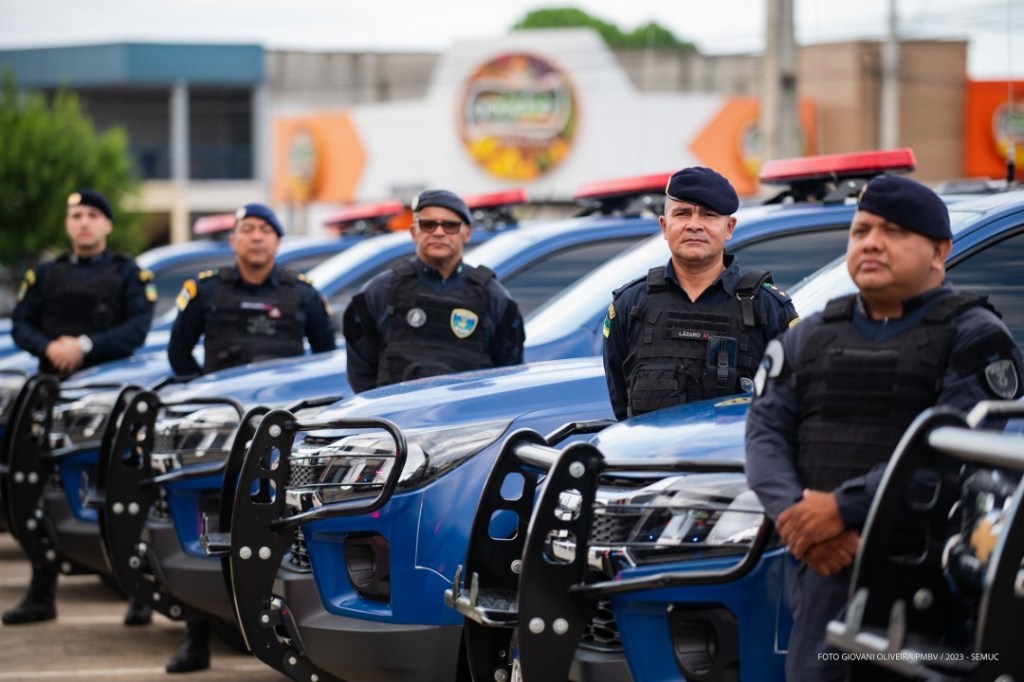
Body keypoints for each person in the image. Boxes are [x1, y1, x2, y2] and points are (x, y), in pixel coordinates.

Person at [744, 175, 1024, 681]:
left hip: (924, 584)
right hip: (822, 570)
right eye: (862, 230)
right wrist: (800, 521)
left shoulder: (975, 335)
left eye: (894, 231)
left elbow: (956, 455)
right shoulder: (809, 335)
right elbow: (764, 433)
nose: (871, 242)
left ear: (939, 251)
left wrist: (840, 508)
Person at [164, 202, 336, 673]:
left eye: (265, 230)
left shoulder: (301, 294)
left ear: (277, 241)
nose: (256, 237)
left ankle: (283, 632)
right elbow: (179, 355)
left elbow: (327, 361)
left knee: (277, 533)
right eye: (247, 229)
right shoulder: (205, 290)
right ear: (234, 240)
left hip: (280, 440)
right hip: (223, 437)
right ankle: (196, 637)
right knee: (210, 532)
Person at [6, 189, 156, 627]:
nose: (84, 222)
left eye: (92, 215)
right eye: (76, 215)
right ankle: (41, 593)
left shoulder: (127, 272)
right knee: (37, 494)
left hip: (109, 400)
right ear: (68, 224)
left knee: (121, 494)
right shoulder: (46, 274)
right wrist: (52, 348)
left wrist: (84, 346)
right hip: (50, 397)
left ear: (107, 224)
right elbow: (20, 325)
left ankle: (140, 594)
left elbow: (137, 330)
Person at [602, 166, 798, 420]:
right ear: (664, 226)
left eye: (708, 215)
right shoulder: (629, 305)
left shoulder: (769, 308)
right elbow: (621, 404)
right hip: (649, 459)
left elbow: (793, 404)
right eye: (683, 213)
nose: (695, 225)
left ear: (729, 227)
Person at [343, 189, 525, 393]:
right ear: (414, 232)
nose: (439, 232)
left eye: (450, 225)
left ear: (467, 233)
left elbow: (508, 375)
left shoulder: (493, 296)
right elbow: (361, 377)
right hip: (397, 421)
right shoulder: (378, 292)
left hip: (469, 421)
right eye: (428, 224)